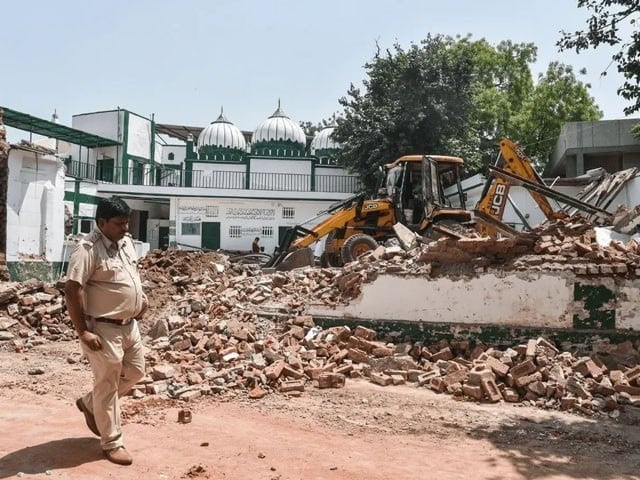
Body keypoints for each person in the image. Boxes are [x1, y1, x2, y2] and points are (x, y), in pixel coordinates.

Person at [65, 196, 147, 466]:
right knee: (107, 384)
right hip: (103, 329)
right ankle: (112, 442)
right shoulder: (87, 249)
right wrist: (82, 332)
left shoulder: (126, 243)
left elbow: (131, 276)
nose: (126, 228)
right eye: (120, 223)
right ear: (102, 222)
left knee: (135, 372)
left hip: (129, 326)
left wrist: (140, 301)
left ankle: (90, 404)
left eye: (127, 222)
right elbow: (72, 290)